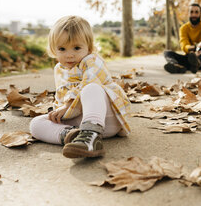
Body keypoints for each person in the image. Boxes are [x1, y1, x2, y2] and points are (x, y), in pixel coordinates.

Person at [30, 16, 131, 158]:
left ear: (89, 48)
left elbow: (89, 82)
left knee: (91, 88)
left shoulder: (91, 60)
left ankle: (91, 135)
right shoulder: (59, 69)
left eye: (77, 48)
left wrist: (69, 105)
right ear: (54, 50)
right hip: (77, 121)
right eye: (62, 49)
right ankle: (72, 136)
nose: (69, 55)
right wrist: (58, 112)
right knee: (35, 124)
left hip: (105, 118)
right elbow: (62, 95)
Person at [164, 3, 201, 74]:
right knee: (167, 53)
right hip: (190, 58)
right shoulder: (183, 28)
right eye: (191, 12)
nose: (194, 15)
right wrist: (194, 48)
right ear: (188, 14)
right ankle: (176, 65)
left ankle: (197, 63)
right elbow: (184, 45)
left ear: (200, 14)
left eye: (196, 12)